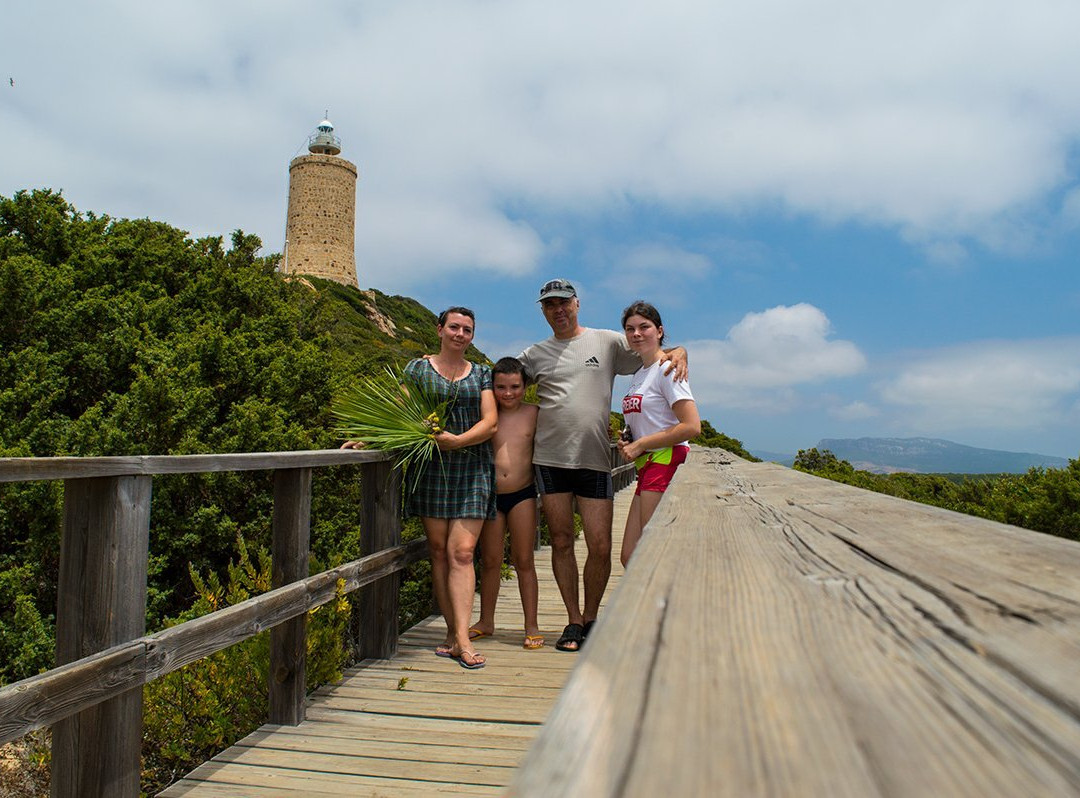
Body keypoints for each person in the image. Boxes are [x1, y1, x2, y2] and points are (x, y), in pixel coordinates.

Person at [518, 279, 687, 652]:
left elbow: (650, 354)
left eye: (564, 303)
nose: (558, 310)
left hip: (595, 459)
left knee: (599, 546)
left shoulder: (608, 341)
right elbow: (500, 387)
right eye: (550, 305)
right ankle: (574, 621)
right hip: (550, 459)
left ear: (577, 304)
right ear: (542, 311)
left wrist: (680, 350)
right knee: (561, 542)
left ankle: (593, 617)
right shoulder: (534, 354)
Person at [346, 307, 496, 669]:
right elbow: (398, 413)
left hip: (472, 468)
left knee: (462, 552)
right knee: (439, 553)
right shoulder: (416, 369)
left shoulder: (482, 374)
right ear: (440, 329)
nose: (460, 334)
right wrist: (370, 438)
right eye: (455, 327)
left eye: (468, 330)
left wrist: (457, 441)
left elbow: (490, 423)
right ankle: (451, 630)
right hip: (431, 469)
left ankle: (462, 639)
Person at [617, 301, 700, 566]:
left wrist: (641, 443)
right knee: (630, 555)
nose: (637, 334)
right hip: (647, 464)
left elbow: (691, 426)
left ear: (660, 331)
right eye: (630, 329)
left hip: (665, 460)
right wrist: (629, 438)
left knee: (650, 556)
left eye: (644, 327)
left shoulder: (668, 368)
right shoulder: (640, 373)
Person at [469, 357, 543, 649]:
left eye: (515, 386)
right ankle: (486, 621)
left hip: (523, 494)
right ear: (492, 387)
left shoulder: (535, 413)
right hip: (490, 495)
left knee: (524, 560)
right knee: (490, 561)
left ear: (525, 386)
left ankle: (532, 625)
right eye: (500, 387)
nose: (508, 393)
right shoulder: (486, 414)